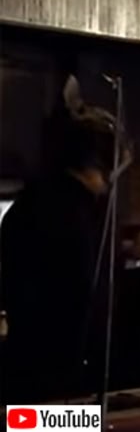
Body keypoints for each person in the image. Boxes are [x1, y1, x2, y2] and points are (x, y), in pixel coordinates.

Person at [1, 75, 129, 403]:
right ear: (98, 162)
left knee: (30, 423)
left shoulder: (29, 205)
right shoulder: (77, 215)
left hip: (30, 375)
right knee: (56, 424)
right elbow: (86, 297)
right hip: (62, 379)